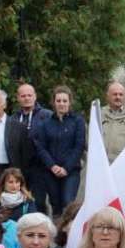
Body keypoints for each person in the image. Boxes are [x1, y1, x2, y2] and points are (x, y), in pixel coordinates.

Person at [29, 87, 84, 216]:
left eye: (65, 101)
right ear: (53, 103)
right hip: (50, 171)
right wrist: (52, 166)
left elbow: (79, 146)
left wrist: (66, 168)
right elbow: (41, 147)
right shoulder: (45, 123)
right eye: (58, 101)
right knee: (55, 204)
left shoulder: (77, 121)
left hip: (71, 171)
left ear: (70, 102)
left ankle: (69, 233)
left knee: (68, 202)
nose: (62, 104)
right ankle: (57, 233)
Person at [97, 81, 125, 164]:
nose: (118, 97)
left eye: (121, 94)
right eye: (115, 94)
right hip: (102, 165)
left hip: (124, 165)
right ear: (108, 96)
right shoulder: (99, 114)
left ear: (124, 97)